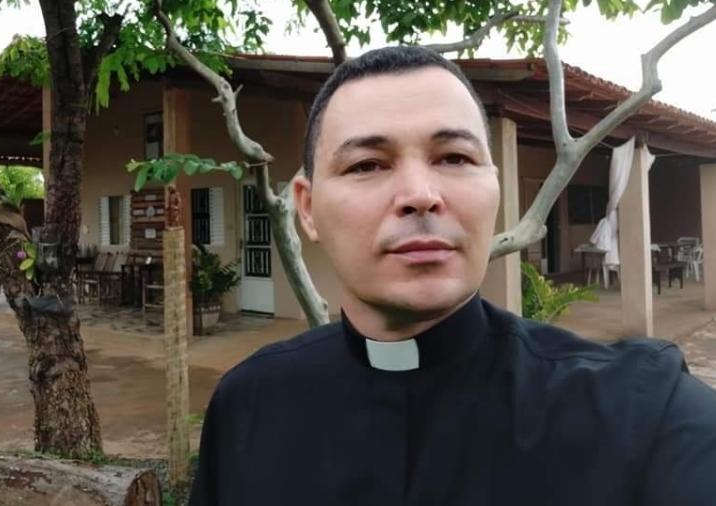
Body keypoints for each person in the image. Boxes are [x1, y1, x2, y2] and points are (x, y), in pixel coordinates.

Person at [188, 46, 716, 506]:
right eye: (367, 165)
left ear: (495, 187)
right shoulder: (249, 405)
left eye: (455, 157)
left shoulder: (642, 414)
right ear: (306, 208)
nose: (420, 193)